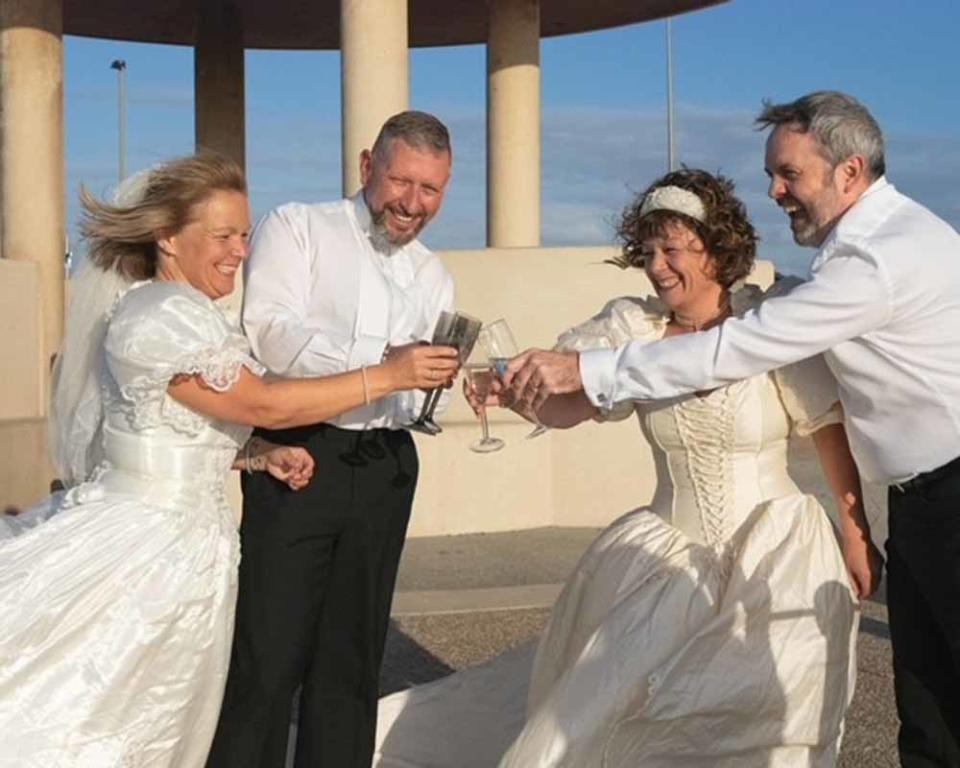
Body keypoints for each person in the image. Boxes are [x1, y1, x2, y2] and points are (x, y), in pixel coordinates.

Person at [506, 91, 960, 766]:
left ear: (849, 170)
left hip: (940, 502)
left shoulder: (875, 259)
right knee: (929, 710)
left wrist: (588, 368)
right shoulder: (858, 250)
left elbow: (742, 351)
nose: (775, 190)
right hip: (921, 506)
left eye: (789, 173)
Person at [374, 168, 881, 766]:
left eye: (671, 250)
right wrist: (514, 394)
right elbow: (573, 406)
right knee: (609, 714)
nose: (657, 266)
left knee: (771, 707)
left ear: (715, 246)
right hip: (666, 556)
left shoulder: (766, 323)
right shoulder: (632, 331)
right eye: (647, 252)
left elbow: (826, 427)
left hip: (775, 554)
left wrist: (855, 534)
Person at [0, 153, 458, 767]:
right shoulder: (161, 317)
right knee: (110, 712)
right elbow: (263, 401)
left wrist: (257, 457)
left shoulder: (188, 313)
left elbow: (176, 427)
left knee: (167, 715)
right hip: (146, 554)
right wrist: (387, 372)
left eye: (243, 234)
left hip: (192, 549)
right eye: (222, 236)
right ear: (167, 237)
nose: (240, 251)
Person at [207, 110, 455, 768]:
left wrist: (451, 389)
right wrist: (383, 363)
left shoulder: (434, 274)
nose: (412, 203)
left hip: (386, 466)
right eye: (401, 181)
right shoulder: (298, 226)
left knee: (352, 661)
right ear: (367, 165)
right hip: (300, 452)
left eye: (430, 190)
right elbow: (271, 334)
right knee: (268, 654)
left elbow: (415, 388)